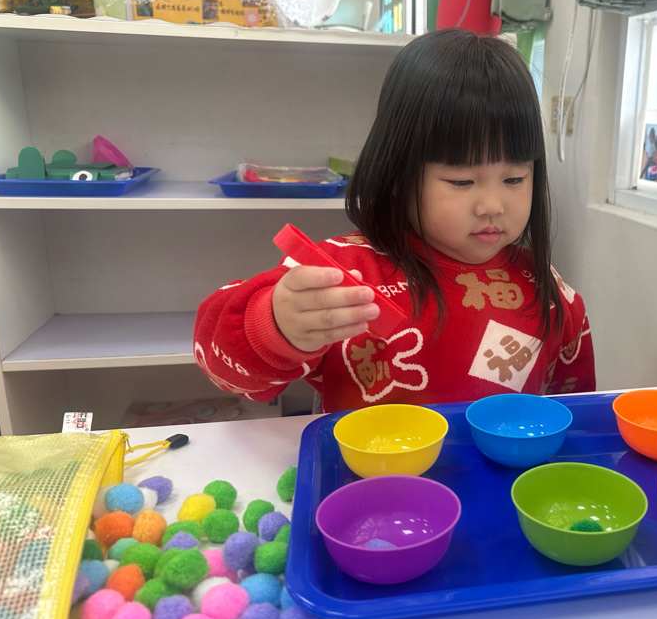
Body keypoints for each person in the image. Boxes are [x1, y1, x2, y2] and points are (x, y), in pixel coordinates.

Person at [194, 28, 596, 414]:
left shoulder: (548, 289)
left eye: (514, 179)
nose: (492, 205)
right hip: (371, 463)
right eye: (461, 181)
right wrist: (275, 327)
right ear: (399, 174)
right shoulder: (343, 274)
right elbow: (227, 371)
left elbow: (573, 411)